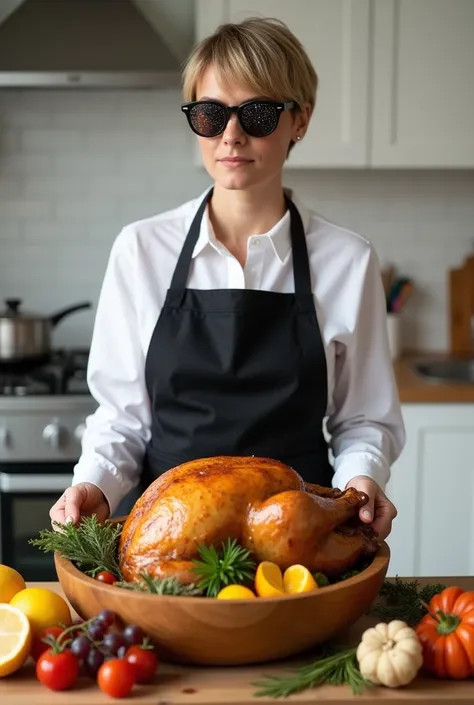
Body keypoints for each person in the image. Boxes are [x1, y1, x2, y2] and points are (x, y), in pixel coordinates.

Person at [50, 17, 405, 542]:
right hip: (169, 533)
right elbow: (123, 419)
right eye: (211, 114)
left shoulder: (348, 260)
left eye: (258, 113)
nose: (231, 135)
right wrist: (94, 484)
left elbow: (364, 420)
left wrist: (361, 482)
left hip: (299, 536)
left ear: (300, 120)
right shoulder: (142, 250)